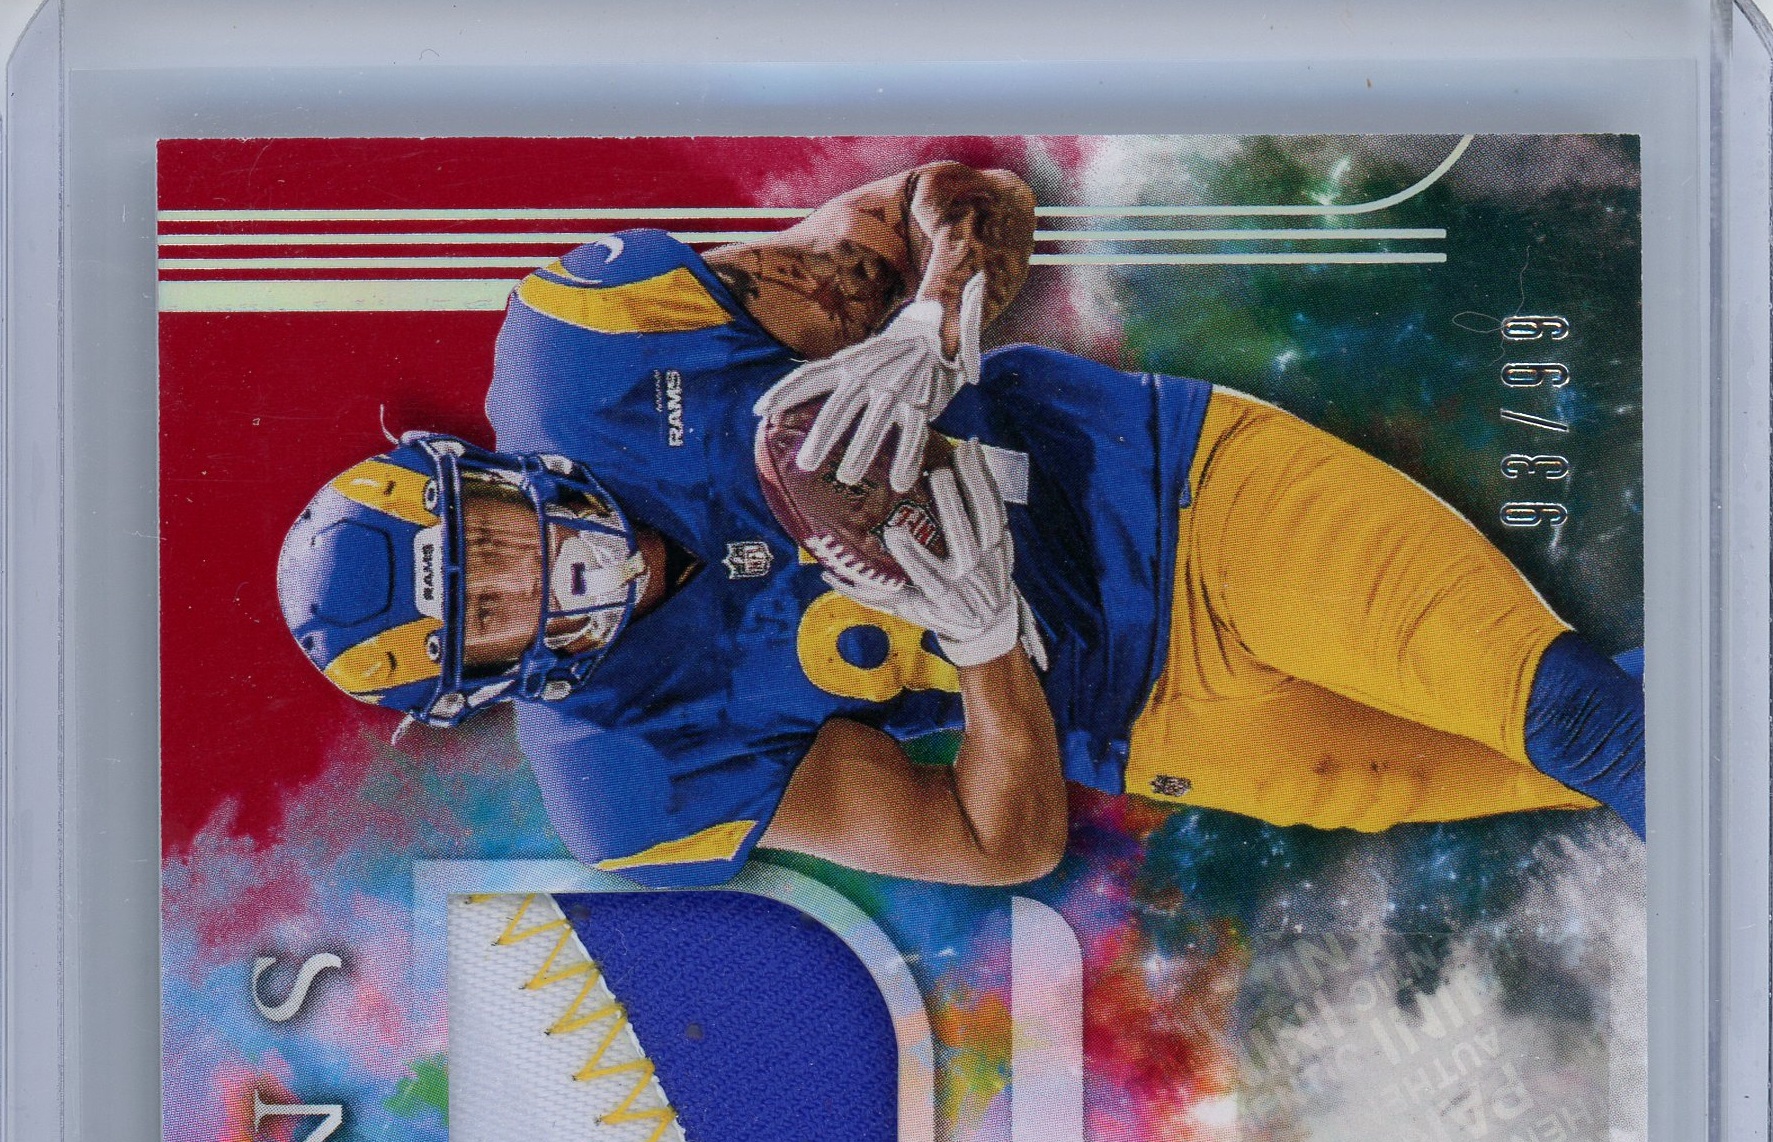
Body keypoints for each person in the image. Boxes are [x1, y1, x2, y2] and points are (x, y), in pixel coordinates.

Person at [277, 161, 1644, 889]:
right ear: (488, 685)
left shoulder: (592, 347)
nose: (528, 573)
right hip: (1150, 721)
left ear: (483, 470)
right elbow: (998, 844)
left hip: (1183, 496)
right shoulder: (621, 773)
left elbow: (968, 195)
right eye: (489, 612)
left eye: (489, 539)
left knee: (1577, 720)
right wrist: (985, 642)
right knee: (1603, 753)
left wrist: (933, 314)